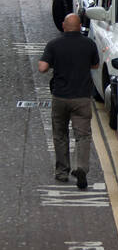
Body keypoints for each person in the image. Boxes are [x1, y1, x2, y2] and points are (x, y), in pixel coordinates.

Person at [38, 13, 99, 189]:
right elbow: (95, 65)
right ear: (79, 26)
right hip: (81, 98)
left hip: (60, 97)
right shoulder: (89, 44)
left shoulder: (54, 44)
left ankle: (62, 172)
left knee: (60, 134)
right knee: (83, 135)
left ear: (64, 26)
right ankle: (82, 168)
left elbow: (42, 68)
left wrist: (52, 62)